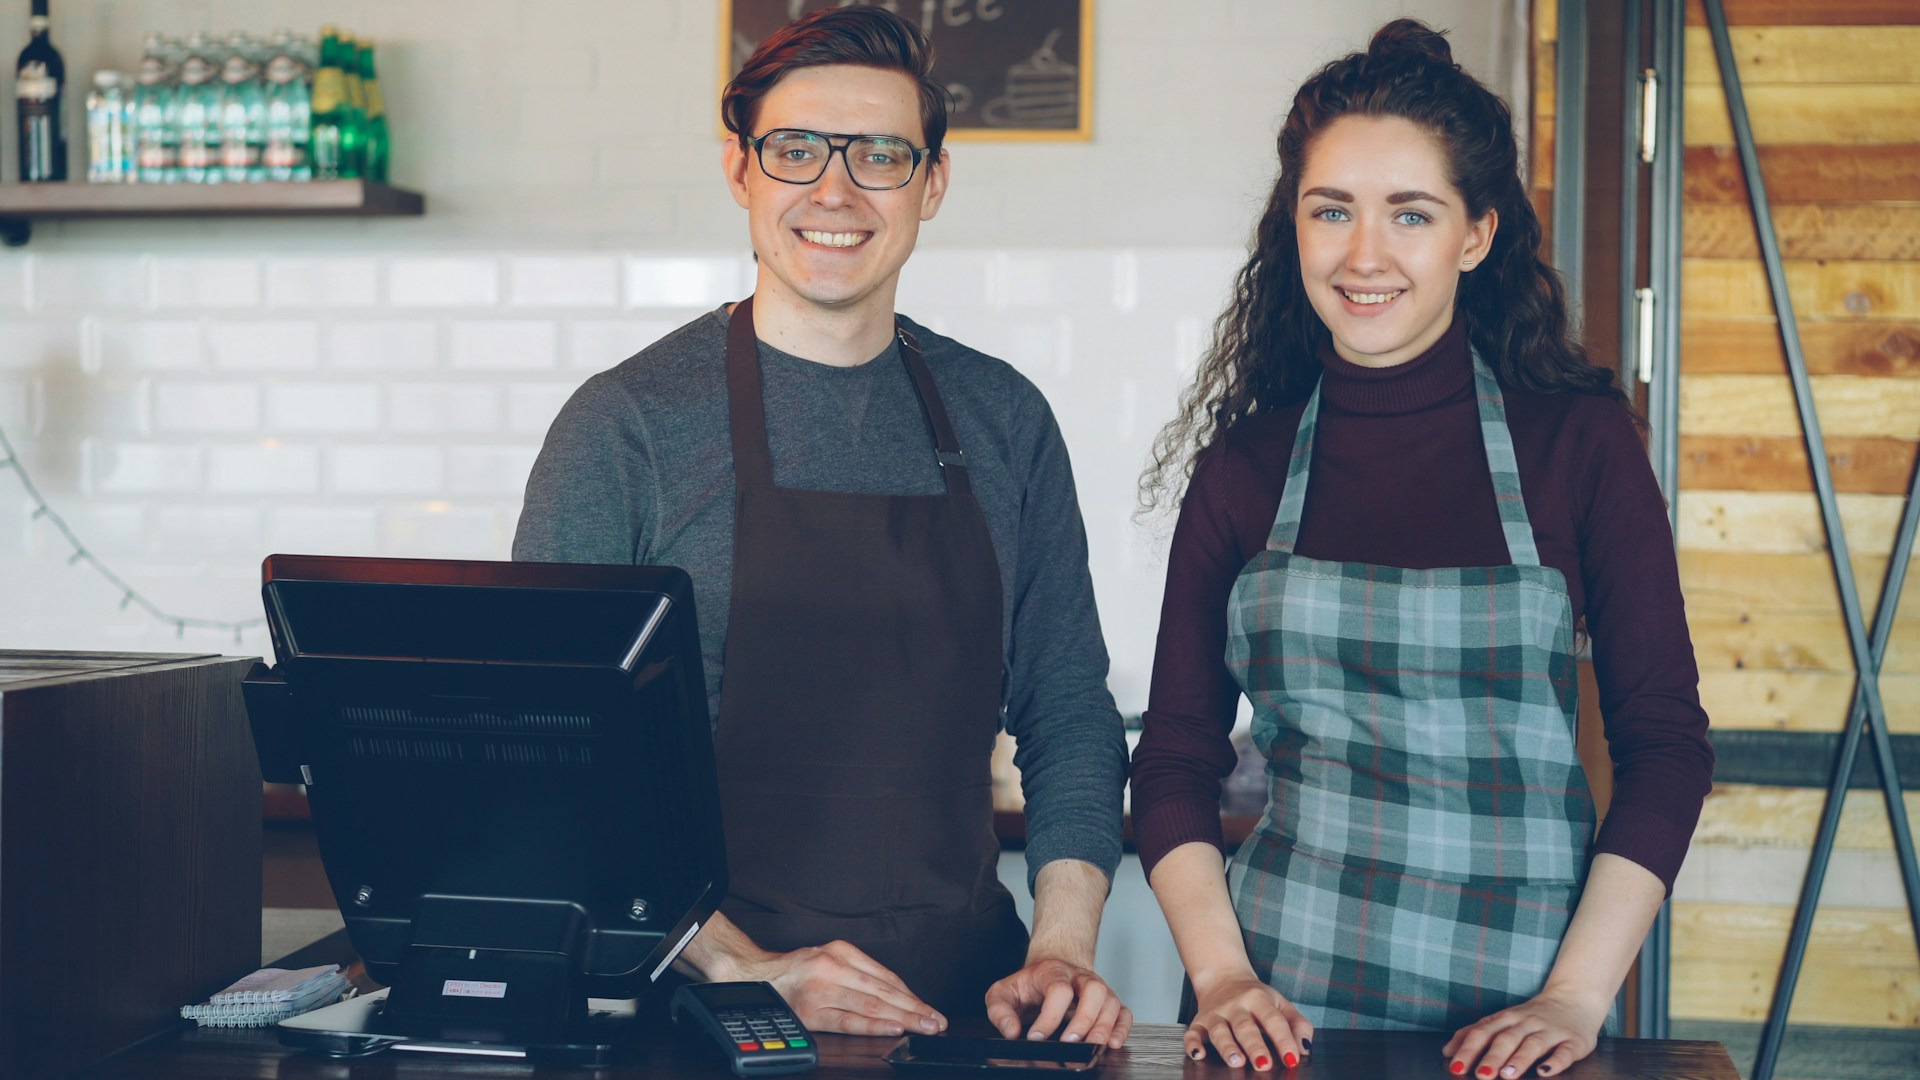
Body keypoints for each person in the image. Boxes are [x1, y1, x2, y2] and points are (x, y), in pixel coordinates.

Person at [513, 7, 1132, 1047]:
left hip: (964, 1011)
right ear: (740, 170)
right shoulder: (627, 426)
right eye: (795, 150)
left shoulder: (1004, 419)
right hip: (703, 1014)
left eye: (879, 155)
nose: (834, 190)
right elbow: (550, 749)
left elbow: (1068, 707)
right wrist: (745, 969)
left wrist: (1061, 951)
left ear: (932, 183)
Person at [1129, 19, 1713, 1080]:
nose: (1364, 255)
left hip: (1523, 1026)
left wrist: (1576, 997)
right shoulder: (1246, 468)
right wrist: (1221, 979)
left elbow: (1667, 746)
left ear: (1476, 235)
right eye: (1332, 211)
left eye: (1411, 214)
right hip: (1279, 1014)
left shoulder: (1576, 444)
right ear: (1294, 228)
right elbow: (1174, 756)